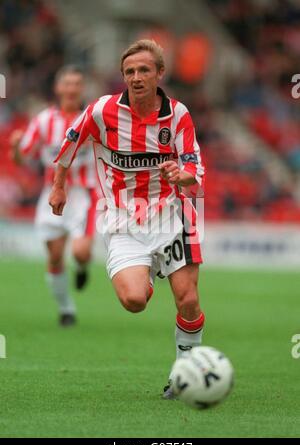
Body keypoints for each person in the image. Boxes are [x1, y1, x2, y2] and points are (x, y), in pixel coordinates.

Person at [49, 40, 205, 397]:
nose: (136, 77)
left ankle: (185, 372)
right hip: (121, 219)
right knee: (134, 301)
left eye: (144, 70)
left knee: (188, 299)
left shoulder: (178, 115)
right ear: (123, 76)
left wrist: (182, 175)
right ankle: (148, 271)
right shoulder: (103, 111)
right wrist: (59, 187)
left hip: (172, 215)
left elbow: (194, 162)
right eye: (129, 72)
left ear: (159, 74)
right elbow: (69, 144)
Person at [11, 66, 98, 327]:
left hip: (83, 194)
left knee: (81, 252)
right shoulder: (43, 120)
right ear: (58, 88)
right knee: (55, 256)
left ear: (82, 89)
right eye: (67, 84)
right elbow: (22, 158)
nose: (71, 89)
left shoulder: (93, 119)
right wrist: (16, 147)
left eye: (76, 84)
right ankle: (66, 309)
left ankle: (82, 268)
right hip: (52, 194)